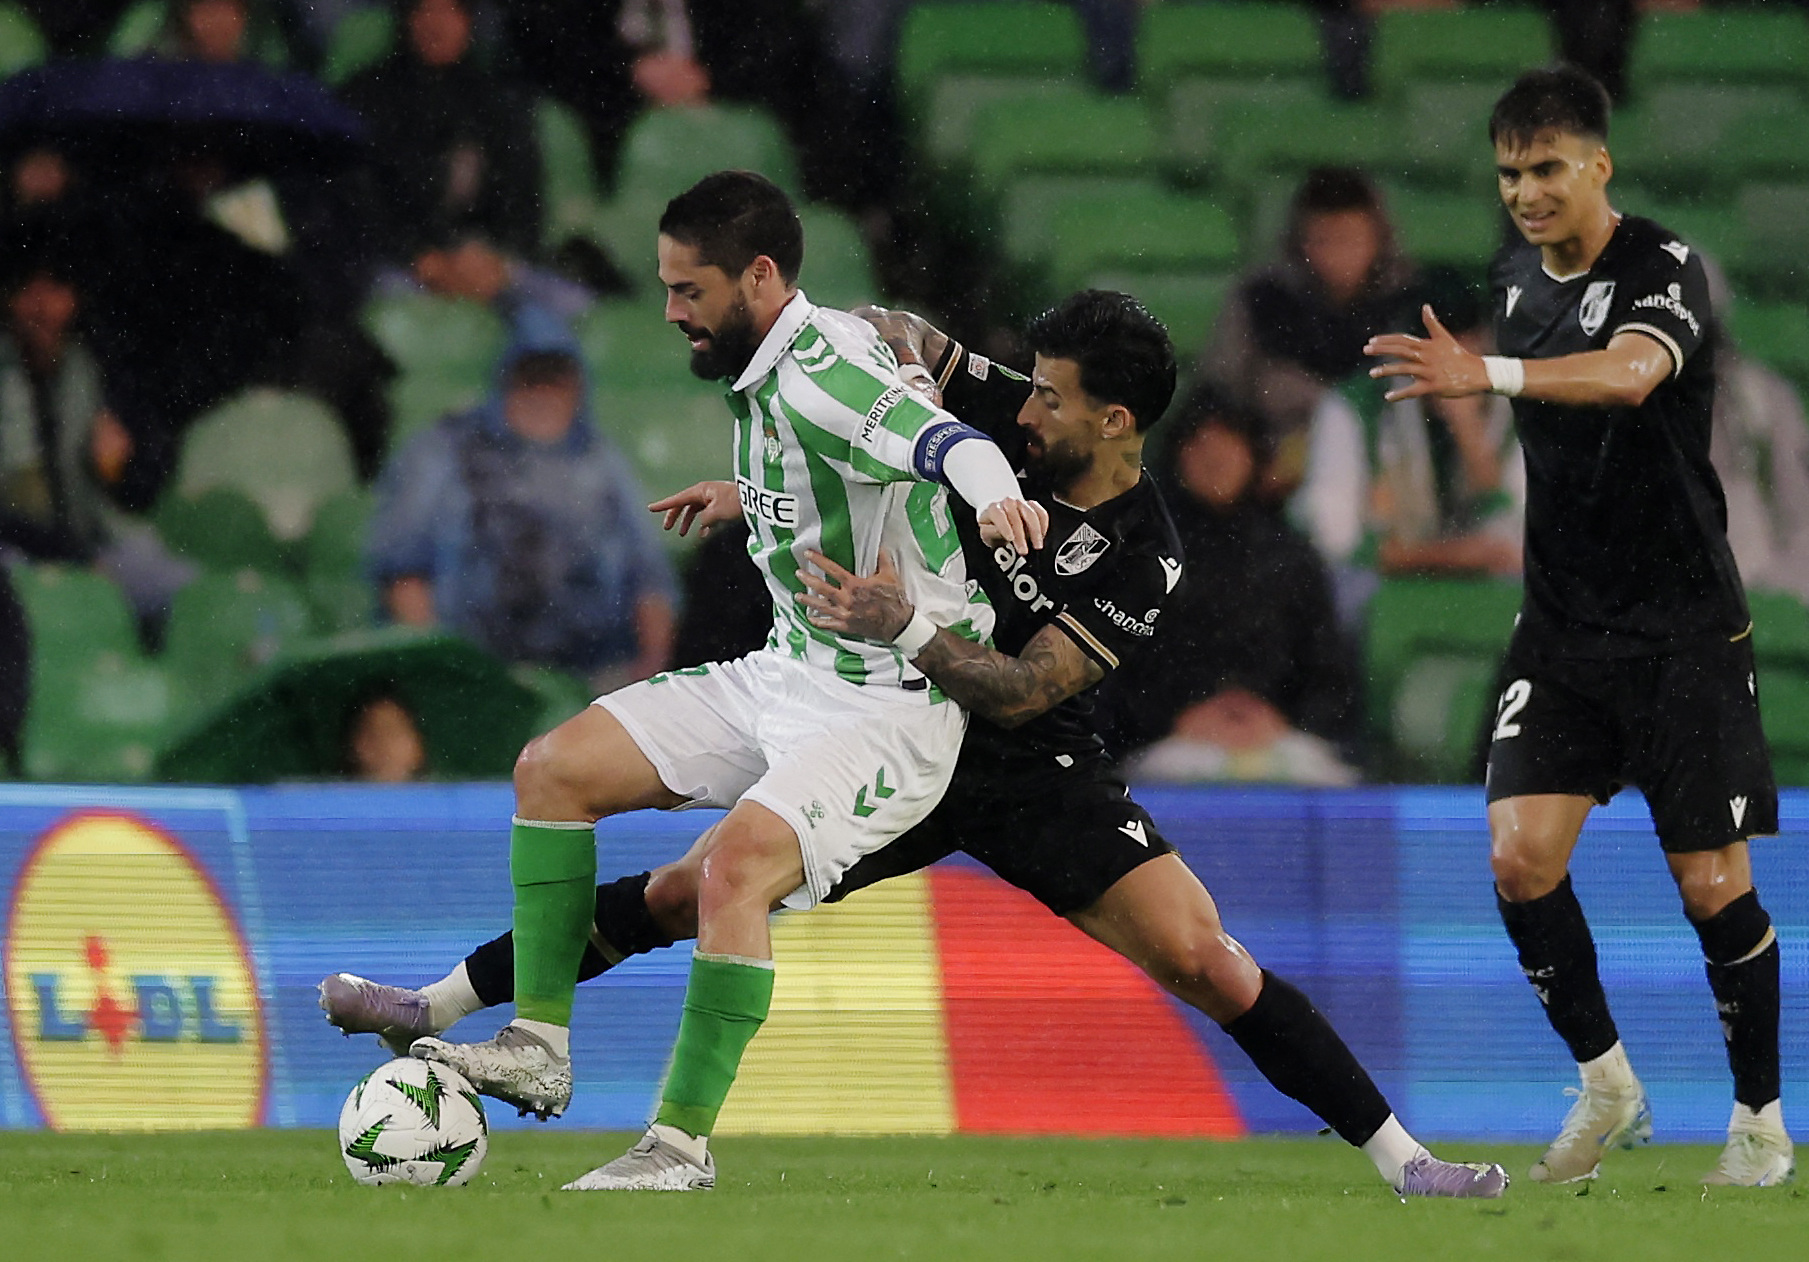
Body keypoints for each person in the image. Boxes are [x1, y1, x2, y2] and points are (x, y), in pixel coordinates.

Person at [323, 292, 1508, 1199]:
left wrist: (909, 622)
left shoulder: (1144, 552)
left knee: (1207, 958)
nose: (1023, 409)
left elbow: (1025, 688)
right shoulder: (1009, 417)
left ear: (1116, 420)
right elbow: (886, 338)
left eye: (1051, 400)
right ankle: (434, 1005)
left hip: (1028, 758)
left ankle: (1406, 1159)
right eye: (1027, 390)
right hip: (894, 720)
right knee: (694, 887)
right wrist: (776, 471)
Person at [398, 171, 1043, 1190]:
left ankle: (678, 1145)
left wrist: (1000, 497)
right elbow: (843, 460)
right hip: (790, 667)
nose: (670, 313)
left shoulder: (822, 365)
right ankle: (538, 1042)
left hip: (890, 704)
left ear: (758, 276)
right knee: (553, 768)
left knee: (730, 867)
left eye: (689, 291)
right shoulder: (779, 358)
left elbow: (944, 441)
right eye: (664, 287)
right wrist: (751, 495)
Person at [1366, 66, 1790, 1188]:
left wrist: (1489, 373)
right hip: (1561, 629)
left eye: (1547, 168)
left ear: (1599, 163)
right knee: (1518, 855)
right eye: (1509, 173)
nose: (1526, 192)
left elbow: (1633, 376)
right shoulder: (1515, 286)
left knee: (1712, 887)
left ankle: (1758, 1120)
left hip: (1683, 630)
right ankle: (1608, 1082)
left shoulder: (1668, 267)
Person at [364, 303, 677, 688]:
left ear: (577, 387)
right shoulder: (441, 450)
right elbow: (403, 573)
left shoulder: (601, 458)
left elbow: (648, 576)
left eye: (556, 380)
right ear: (504, 381)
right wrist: (439, 673)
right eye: (530, 379)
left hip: (590, 676)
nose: (543, 394)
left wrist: (653, 666)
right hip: (469, 674)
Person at [1097, 385, 1361, 787]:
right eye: (1200, 443)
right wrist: (1178, 717)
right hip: (1169, 748)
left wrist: (1276, 720)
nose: (1215, 457)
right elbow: (1114, 678)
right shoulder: (1139, 555)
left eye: (1229, 442)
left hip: (1283, 743)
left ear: (1254, 454)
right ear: (1177, 456)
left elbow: (1331, 677)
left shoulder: (1292, 557)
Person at [1196, 166, 1440, 497]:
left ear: (1378, 240)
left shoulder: (1413, 306)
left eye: (1351, 240)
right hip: (1281, 478)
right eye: (1323, 241)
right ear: (1299, 242)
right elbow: (1222, 393)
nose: (1338, 257)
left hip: (1394, 479)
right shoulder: (1261, 303)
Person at [1293, 287, 1524, 627]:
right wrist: (1447, 557)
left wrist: (1470, 434)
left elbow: (1516, 541)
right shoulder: (1353, 407)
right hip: (1382, 578)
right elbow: (1335, 542)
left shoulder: (1515, 412)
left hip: (1476, 580)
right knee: (1341, 594)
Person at [340, 0, 543, 264]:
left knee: (563, 301)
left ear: (468, 21)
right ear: (406, 20)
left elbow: (522, 206)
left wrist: (494, 261)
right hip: (395, 263)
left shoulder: (495, 102)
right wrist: (420, 258)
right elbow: (359, 205)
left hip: (484, 262)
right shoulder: (365, 96)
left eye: (450, 12)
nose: (437, 25)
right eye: (425, 11)